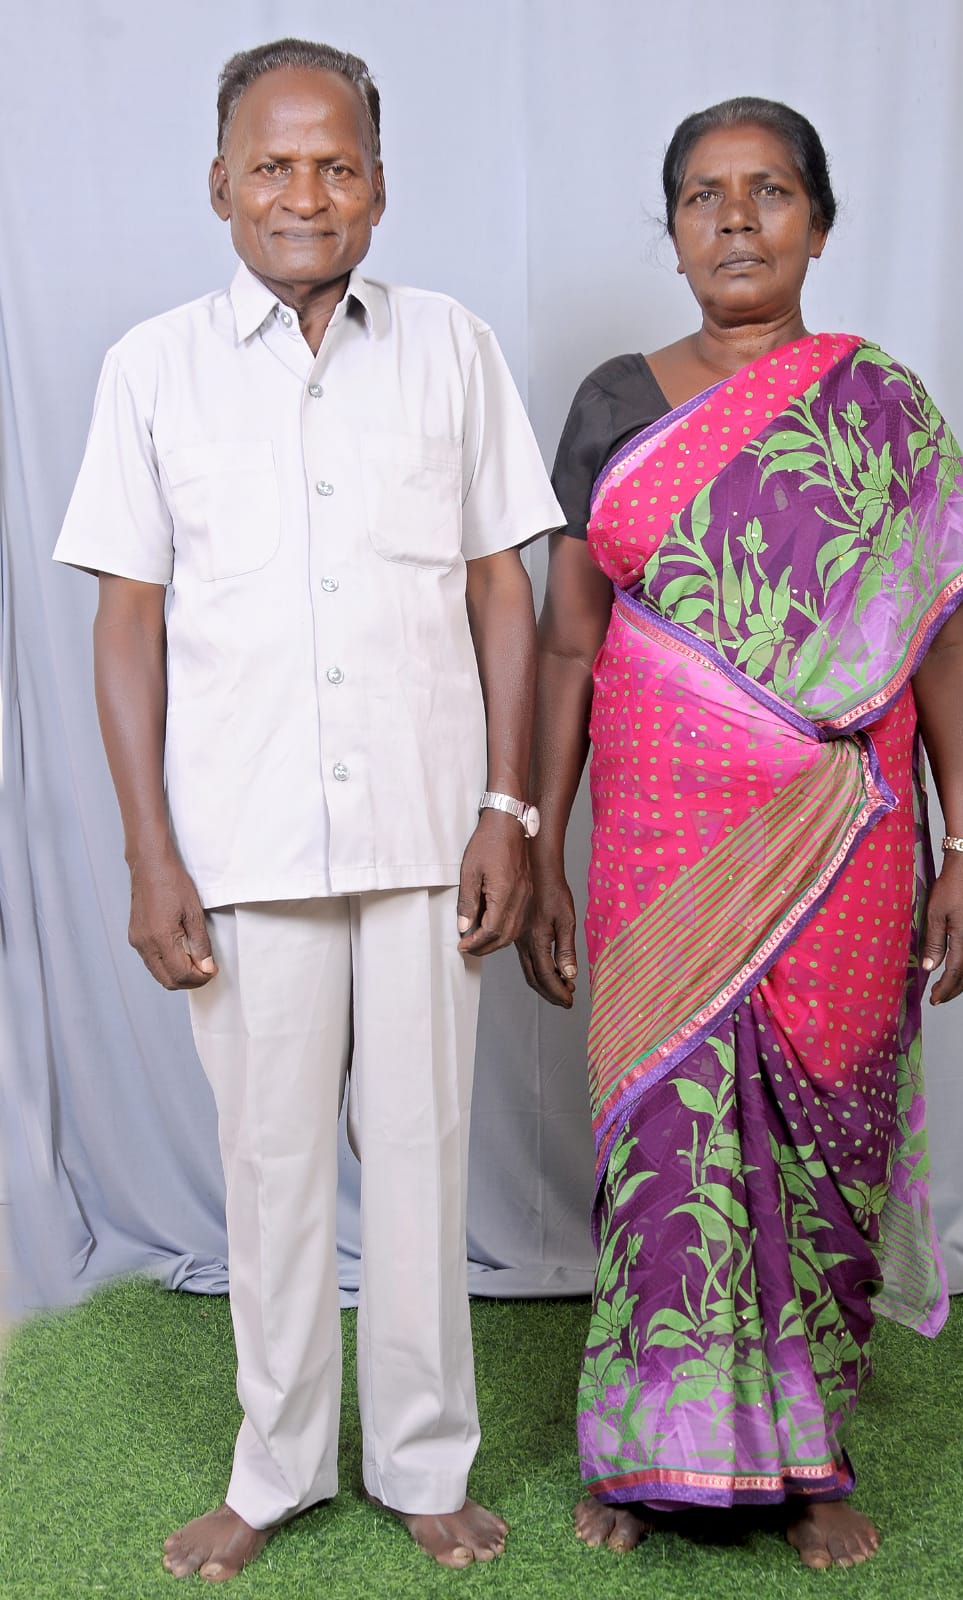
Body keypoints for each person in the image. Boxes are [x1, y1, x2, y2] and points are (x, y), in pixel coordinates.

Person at [54, 38, 561, 1580]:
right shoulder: (152, 369)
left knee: (420, 1155)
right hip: (243, 841)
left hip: (428, 835)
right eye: (271, 165)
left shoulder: (453, 346)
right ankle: (273, 1472)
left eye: (336, 164)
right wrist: (151, 853)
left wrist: (509, 811)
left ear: (380, 187)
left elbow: (505, 589)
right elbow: (128, 621)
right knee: (270, 1171)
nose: (304, 193)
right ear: (218, 186)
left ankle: (422, 1462)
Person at [518, 97, 963, 1571]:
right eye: (703, 196)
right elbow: (566, 643)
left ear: (819, 222)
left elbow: (939, 635)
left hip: (846, 839)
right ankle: (644, 1445)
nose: (736, 218)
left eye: (770, 190)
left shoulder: (880, 402)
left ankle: (811, 1455)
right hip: (663, 839)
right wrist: (537, 841)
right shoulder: (615, 403)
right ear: (671, 232)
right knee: (667, 1132)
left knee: (823, 1132)